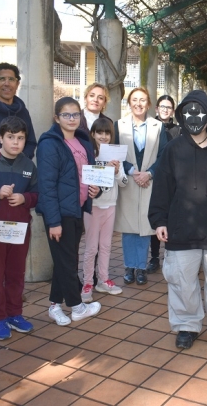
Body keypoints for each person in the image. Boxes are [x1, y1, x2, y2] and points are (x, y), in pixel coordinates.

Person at [148, 90, 207, 350]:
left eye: (198, 111)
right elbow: (162, 189)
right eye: (187, 111)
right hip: (181, 229)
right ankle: (187, 325)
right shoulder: (173, 149)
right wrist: (159, 220)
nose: (193, 117)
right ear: (181, 114)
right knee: (182, 281)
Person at [37, 97, 102, 326]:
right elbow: (46, 185)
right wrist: (54, 221)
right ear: (57, 118)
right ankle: (77, 306)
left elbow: (90, 176)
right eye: (66, 115)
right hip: (59, 213)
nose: (72, 119)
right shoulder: (49, 144)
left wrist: (96, 190)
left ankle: (54, 306)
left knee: (64, 259)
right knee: (66, 260)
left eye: (76, 114)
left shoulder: (83, 142)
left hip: (76, 209)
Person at [0, 116, 39, 340]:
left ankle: (15, 314)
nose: (15, 142)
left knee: (15, 275)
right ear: (0, 138)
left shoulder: (27, 165)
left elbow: (37, 194)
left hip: (19, 230)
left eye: (20, 138)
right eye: (10, 137)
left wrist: (25, 198)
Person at [114, 87, 168, 286]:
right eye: (134, 99)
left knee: (145, 226)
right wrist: (130, 170)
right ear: (129, 103)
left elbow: (164, 154)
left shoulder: (158, 126)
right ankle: (129, 267)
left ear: (149, 104)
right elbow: (114, 152)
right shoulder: (118, 125)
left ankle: (141, 267)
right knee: (129, 227)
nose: (138, 103)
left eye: (142, 100)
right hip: (128, 180)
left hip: (149, 181)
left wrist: (150, 173)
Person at [80, 118, 127, 303]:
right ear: (93, 134)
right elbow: (86, 180)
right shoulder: (89, 153)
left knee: (106, 246)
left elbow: (124, 183)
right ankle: (87, 283)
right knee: (91, 247)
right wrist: (104, 170)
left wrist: (116, 172)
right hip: (93, 207)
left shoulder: (116, 156)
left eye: (107, 133)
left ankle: (103, 279)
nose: (104, 136)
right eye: (100, 133)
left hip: (111, 205)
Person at [148, 94, 180, 273]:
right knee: (157, 216)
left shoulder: (178, 130)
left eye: (168, 107)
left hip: (173, 177)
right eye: (162, 106)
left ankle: (170, 252)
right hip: (154, 175)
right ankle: (153, 257)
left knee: (170, 216)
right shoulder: (151, 127)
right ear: (157, 109)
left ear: (173, 111)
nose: (165, 110)